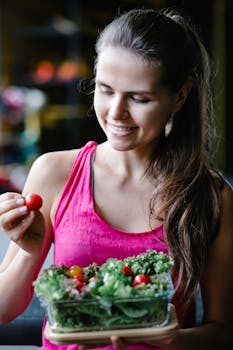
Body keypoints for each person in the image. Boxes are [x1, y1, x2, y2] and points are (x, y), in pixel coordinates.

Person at [0, 7, 233, 350]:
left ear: (179, 98)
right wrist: (28, 252)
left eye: (139, 98)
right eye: (105, 90)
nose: (116, 112)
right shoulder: (54, 172)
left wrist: (161, 343)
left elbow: (223, 331)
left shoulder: (212, 196)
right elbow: (4, 311)